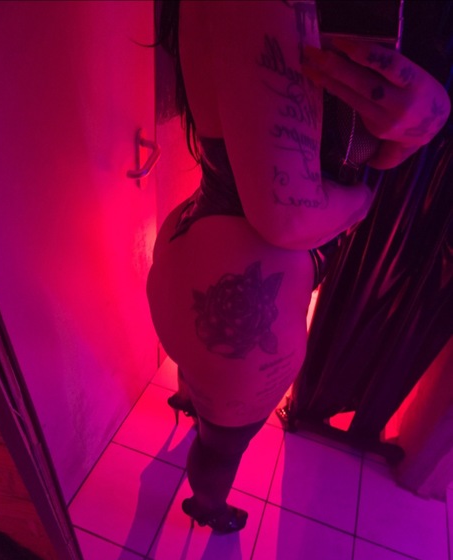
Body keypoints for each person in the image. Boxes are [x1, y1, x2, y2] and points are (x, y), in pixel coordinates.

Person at [146, 0, 450, 533]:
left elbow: (364, 153)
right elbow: (287, 217)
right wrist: (362, 201)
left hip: (192, 248)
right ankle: (208, 508)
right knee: (221, 450)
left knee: (205, 385)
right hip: (239, 291)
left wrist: (416, 123)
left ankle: (191, 395)